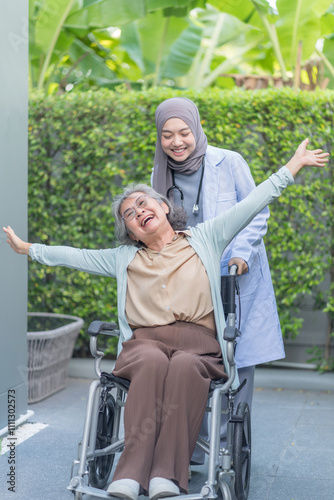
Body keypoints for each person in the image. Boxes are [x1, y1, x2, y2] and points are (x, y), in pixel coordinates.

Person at [2, 139, 328, 500]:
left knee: (187, 367)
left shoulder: (205, 238)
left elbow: (253, 203)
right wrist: (28, 249)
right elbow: (74, 255)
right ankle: (129, 474)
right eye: (129, 213)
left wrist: (292, 166)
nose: (138, 211)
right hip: (145, 344)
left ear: (163, 206)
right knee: (153, 360)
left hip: (199, 344)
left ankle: (166, 476)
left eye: (143, 202)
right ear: (130, 232)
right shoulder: (124, 257)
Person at [152, 97, 281, 462]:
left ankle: (229, 446)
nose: (176, 142)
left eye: (183, 132)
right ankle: (193, 447)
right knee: (190, 355)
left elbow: (257, 210)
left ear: (196, 128)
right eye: (167, 135)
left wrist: (241, 253)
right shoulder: (158, 174)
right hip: (189, 279)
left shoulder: (230, 162)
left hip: (233, 274)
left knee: (235, 357)